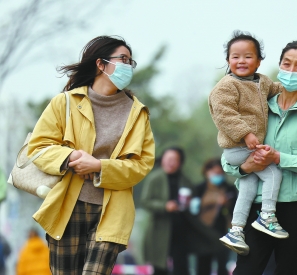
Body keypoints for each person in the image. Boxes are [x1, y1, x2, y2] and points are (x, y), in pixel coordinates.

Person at [27, 35, 155, 274]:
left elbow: (142, 164)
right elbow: (38, 147)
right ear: (101, 64)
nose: (128, 66)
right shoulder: (63, 103)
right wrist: (72, 157)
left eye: (131, 61)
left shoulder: (138, 113)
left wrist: (99, 166)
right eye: (123, 59)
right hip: (66, 206)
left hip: (112, 211)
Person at [222, 40, 297, 275]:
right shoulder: (258, 108)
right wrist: (245, 167)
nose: (291, 71)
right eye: (287, 64)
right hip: (259, 209)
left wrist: (278, 158)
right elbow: (228, 158)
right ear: (278, 66)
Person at [208, 30, 288, 256]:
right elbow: (225, 115)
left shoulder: (261, 82)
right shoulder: (226, 86)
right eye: (235, 57)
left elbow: (277, 89)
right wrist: (246, 134)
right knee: (273, 174)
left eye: (248, 56)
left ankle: (236, 229)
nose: (241, 61)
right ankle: (268, 216)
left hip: (245, 148)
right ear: (227, 61)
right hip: (237, 147)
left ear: (259, 61)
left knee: (248, 188)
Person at [140, 147, 193, 275]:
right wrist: (165, 206)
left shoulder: (185, 180)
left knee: (181, 266)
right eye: (169, 159)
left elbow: (193, 199)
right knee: (159, 266)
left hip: (180, 229)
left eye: (175, 159)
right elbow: (145, 201)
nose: (171, 162)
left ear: (180, 163)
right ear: (162, 160)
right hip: (160, 229)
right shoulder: (155, 178)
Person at [191, 158, 238, 275]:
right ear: (207, 172)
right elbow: (193, 210)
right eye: (214, 173)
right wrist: (215, 202)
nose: (217, 176)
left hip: (223, 232)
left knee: (222, 265)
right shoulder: (199, 189)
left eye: (220, 173)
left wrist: (226, 204)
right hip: (203, 233)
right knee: (202, 266)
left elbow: (234, 211)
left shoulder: (229, 189)